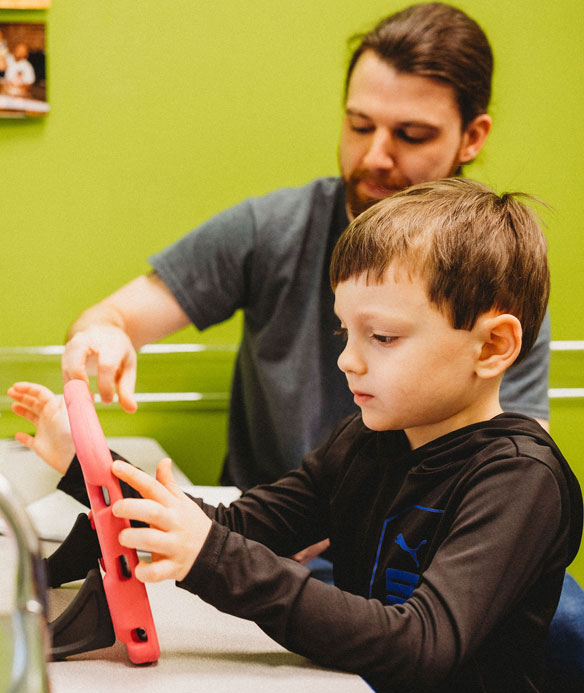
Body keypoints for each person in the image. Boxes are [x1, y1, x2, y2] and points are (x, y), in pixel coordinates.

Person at [10, 178, 583, 693]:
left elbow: (420, 645)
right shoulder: (366, 441)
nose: (348, 360)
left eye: (381, 337)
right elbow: (240, 526)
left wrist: (210, 555)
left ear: (493, 346)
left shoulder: (519, 482)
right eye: (345, 332)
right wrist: (87, 464)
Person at [59, 2, 550, 495]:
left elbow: (514, 479)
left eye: (411, 135)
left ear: (472, 136)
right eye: (359, 126)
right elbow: (111, 318)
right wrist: (103, 335)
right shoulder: (273, 228)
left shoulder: (497, 270)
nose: (375, 156)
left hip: (413, 547)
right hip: (270, 533)